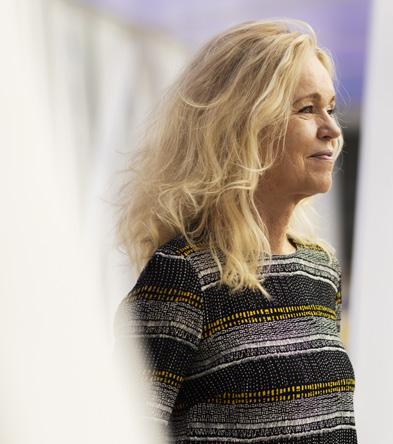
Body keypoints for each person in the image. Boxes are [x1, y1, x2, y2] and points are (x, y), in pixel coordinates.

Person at [113, 18, 358, 443]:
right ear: (245, 124)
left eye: (331, 109)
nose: (332, 130)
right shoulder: (183, 277)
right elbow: (123, 430)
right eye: (307, 109)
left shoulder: (320, 271)